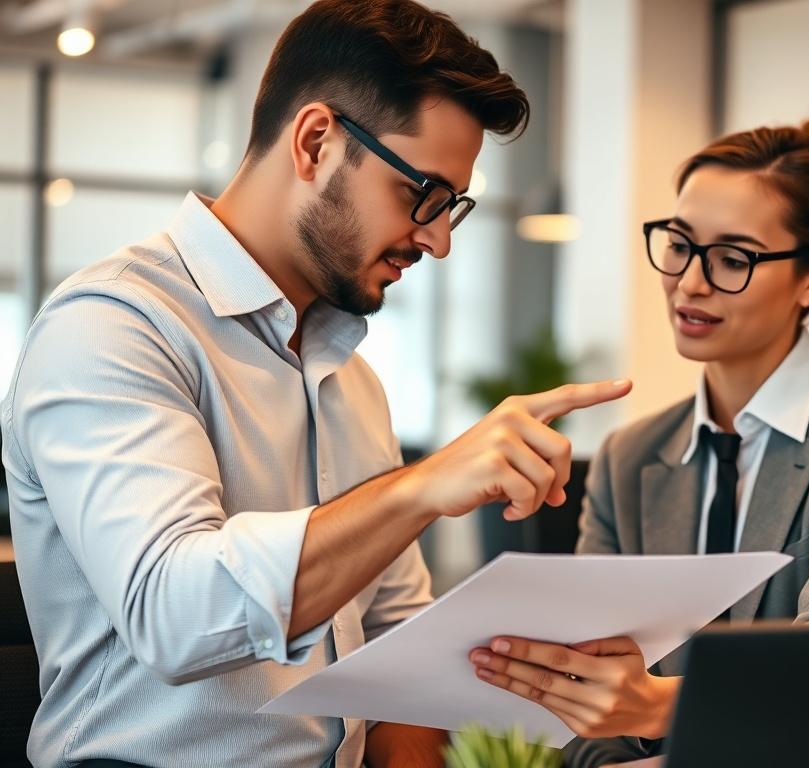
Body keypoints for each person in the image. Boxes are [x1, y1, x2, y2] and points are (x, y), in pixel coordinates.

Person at [0, 1, 631, 766]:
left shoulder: (352, 378)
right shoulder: (112, 328)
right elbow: (171, 613)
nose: (437, 239)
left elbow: (399, 646)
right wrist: (423, 487)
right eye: (422, 195)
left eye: (453, 209)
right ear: (316, 142)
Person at [469, 110, 809, 766]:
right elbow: (585, 723)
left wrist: (661, 703)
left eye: (733, 258)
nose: (690, 280)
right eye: (679, 243)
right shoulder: (629, 457)